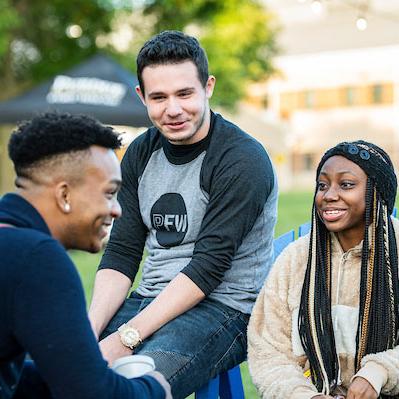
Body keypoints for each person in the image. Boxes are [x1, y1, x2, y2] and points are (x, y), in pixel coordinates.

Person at [88, 30, 278, 398]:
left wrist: (125, 339)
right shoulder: (141, 153)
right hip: (150, 299)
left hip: (223, 310)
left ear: (207, 87)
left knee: (129, 389)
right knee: (52, 369)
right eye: (158, 97)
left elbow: (208, 268)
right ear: (142, 96)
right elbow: (122, 253)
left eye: (184, 93)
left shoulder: (241, 159)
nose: (172, 109)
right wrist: (89, 333)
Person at [0, 112, 171, 399]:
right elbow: (90, 394)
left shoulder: (11, 245)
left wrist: (79, 369)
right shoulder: (37, 258)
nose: (117, 210)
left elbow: (13, 378)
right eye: (109, 193)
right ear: (64, 195)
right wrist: (153, 389)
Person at [248, 140, 399, 399]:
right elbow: (268, 350)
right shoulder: (295, 259)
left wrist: (379, 372)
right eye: (322, 185)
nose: (329, 195)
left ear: (377, 192)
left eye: (346, 184)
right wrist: (303, 394)